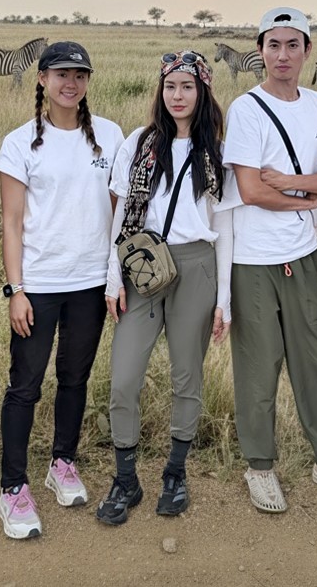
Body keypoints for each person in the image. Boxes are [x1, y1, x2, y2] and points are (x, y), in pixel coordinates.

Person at [222, 7, 317, 514]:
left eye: (293, 45)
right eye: (273, 45)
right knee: (258, 367)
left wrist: (287, 182)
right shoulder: (246, 109)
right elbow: (247, 189)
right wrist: (307, 196)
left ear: (308, 51)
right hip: (255, 260)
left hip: (305, 256)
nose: (282, 55)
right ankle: (259, 468)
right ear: (259, 50)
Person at [95, 50, 233, 526]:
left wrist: (226, 300)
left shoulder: (216, 148)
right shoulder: (138, 142)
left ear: (203, 92)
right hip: (143, 263)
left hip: (196, 264)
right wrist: (114, 278)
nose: (178, 95)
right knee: (124, 377)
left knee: (186, 376)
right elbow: (121, 215)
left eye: (188, 87)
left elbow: (225, 227)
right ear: (161, 90)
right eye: (171, 86)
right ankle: (126, 478)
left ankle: (175, 473)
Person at [0, 41, 123, 539]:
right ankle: (13, 488)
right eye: (61, 74)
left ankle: (61, 463)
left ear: (88, 82)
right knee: (25, 385)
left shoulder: (108, 136)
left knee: (74, 379)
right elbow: (10, 222)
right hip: (40, 285)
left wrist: (114, 280)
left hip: (90, 283)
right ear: (42, 79)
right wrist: (16, 290)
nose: (71, 83)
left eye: (80, 75)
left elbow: (116, 214)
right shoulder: (22, 141)